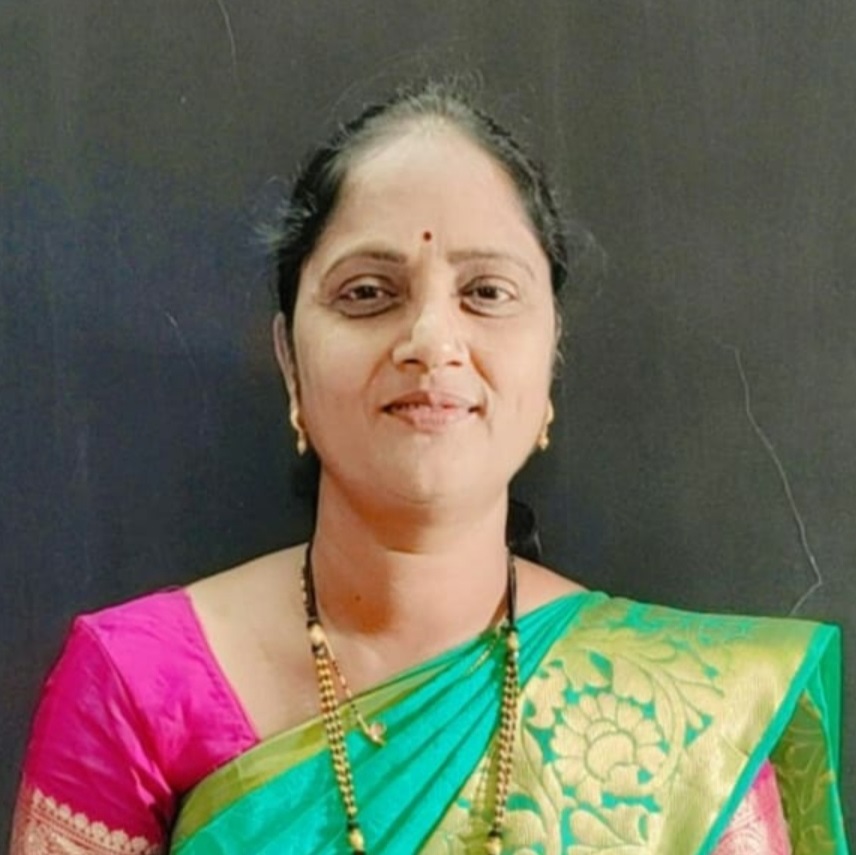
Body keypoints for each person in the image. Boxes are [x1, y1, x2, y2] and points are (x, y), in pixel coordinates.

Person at [10, 81, 847, 855]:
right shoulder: (138, 686)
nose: (432, 342)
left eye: (486, 292)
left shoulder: (687, 717)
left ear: (550, 358)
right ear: (290, 360)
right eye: (368, 293)